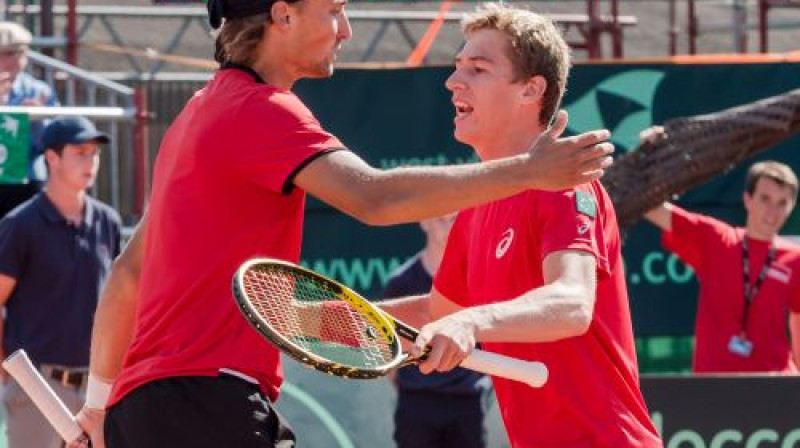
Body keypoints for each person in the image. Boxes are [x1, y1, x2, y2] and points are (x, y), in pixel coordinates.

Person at [69, 0, 614, 447]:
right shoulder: (261, 110)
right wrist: (529, 171)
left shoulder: (196, 113)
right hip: (206, 406)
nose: (346, 30)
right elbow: (372, 197)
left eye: (476, 68)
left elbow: (126, 275)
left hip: (144, 412)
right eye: (333, 10)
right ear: (283, 16)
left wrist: (97, 406)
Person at [380, 4, 662, 447]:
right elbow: (439, 314)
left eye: (478, 68)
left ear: (531, 90)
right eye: (457, 68)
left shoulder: (566, 185)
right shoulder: (475, 207)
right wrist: (328, 319)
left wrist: (473, 321)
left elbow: (572, 304)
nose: (453, 82)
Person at [0, 115, 121, 448]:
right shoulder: (20, 225)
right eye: (79, 152)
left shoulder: (107, 221)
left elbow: (118, 303)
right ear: (51, 158)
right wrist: (11, 374)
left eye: (94, 153)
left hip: (97, 389)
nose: (91, 161)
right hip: (37, 388)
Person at [643, 155, 800, 373]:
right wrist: (654, 153)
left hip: (773, 383)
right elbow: (652, 207)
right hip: (714, 384)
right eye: (765, 199)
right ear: (747, 199)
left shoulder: (795, 258)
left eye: (782, 203)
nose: (772, 212)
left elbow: (798, 320)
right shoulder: (717, 239)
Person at [380, 213, 492, 448]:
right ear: (424, 221)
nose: (449, 225)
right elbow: (387, 348)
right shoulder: (400, 282)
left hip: (468, 401)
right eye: (442, 218)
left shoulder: (479, 277)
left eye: (455, 219)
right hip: (417, 404)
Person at [0, 21, 62, 216]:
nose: (6, 61)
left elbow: (53, 143)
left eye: (14, 54)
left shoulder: (39, 92)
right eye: (2, 54)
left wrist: (38, 119)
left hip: (27, 179)